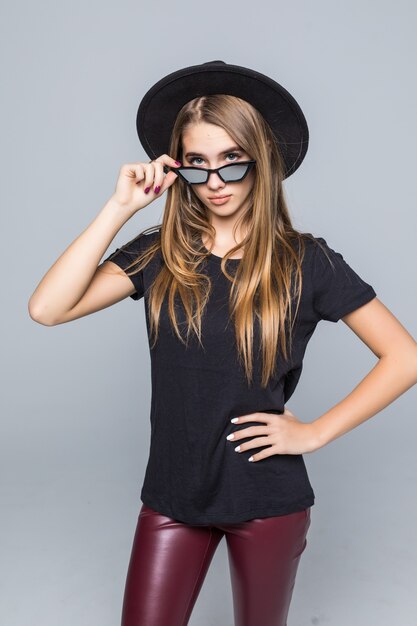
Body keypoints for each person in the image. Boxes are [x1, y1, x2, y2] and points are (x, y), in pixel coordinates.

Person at [28, 60, 417, 626]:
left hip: (266, 497)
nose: (214, 182)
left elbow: (405, 356)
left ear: (261, 163)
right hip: (171, 494)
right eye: (197, 165)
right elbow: (47, 309)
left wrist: (314, 432)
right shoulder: (160, 251)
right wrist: (119, 207)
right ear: (177, 168)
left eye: (232, 162)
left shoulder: (307, 262)